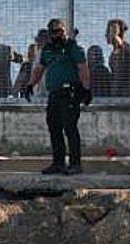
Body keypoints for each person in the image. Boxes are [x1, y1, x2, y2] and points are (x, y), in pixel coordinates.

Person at [24, 18, 90, 175]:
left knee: (70, 127)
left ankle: (75, 164)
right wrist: (30, 85)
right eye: (53, 32)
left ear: (64, 32)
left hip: (69, 93)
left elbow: (83, 68)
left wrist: (86, 89)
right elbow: (39, 69)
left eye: (59, 31)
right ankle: (58, 163)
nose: (57, 34)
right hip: (54, 94)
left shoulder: (72, 48)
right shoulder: (47, 49)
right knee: (54, 127)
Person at [106, 19, 130, 97]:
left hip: (124, 94)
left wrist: (113, 97)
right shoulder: (117, 51)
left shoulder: (122, 53)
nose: (106, 35)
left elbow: (118, 78)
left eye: (108, 32)